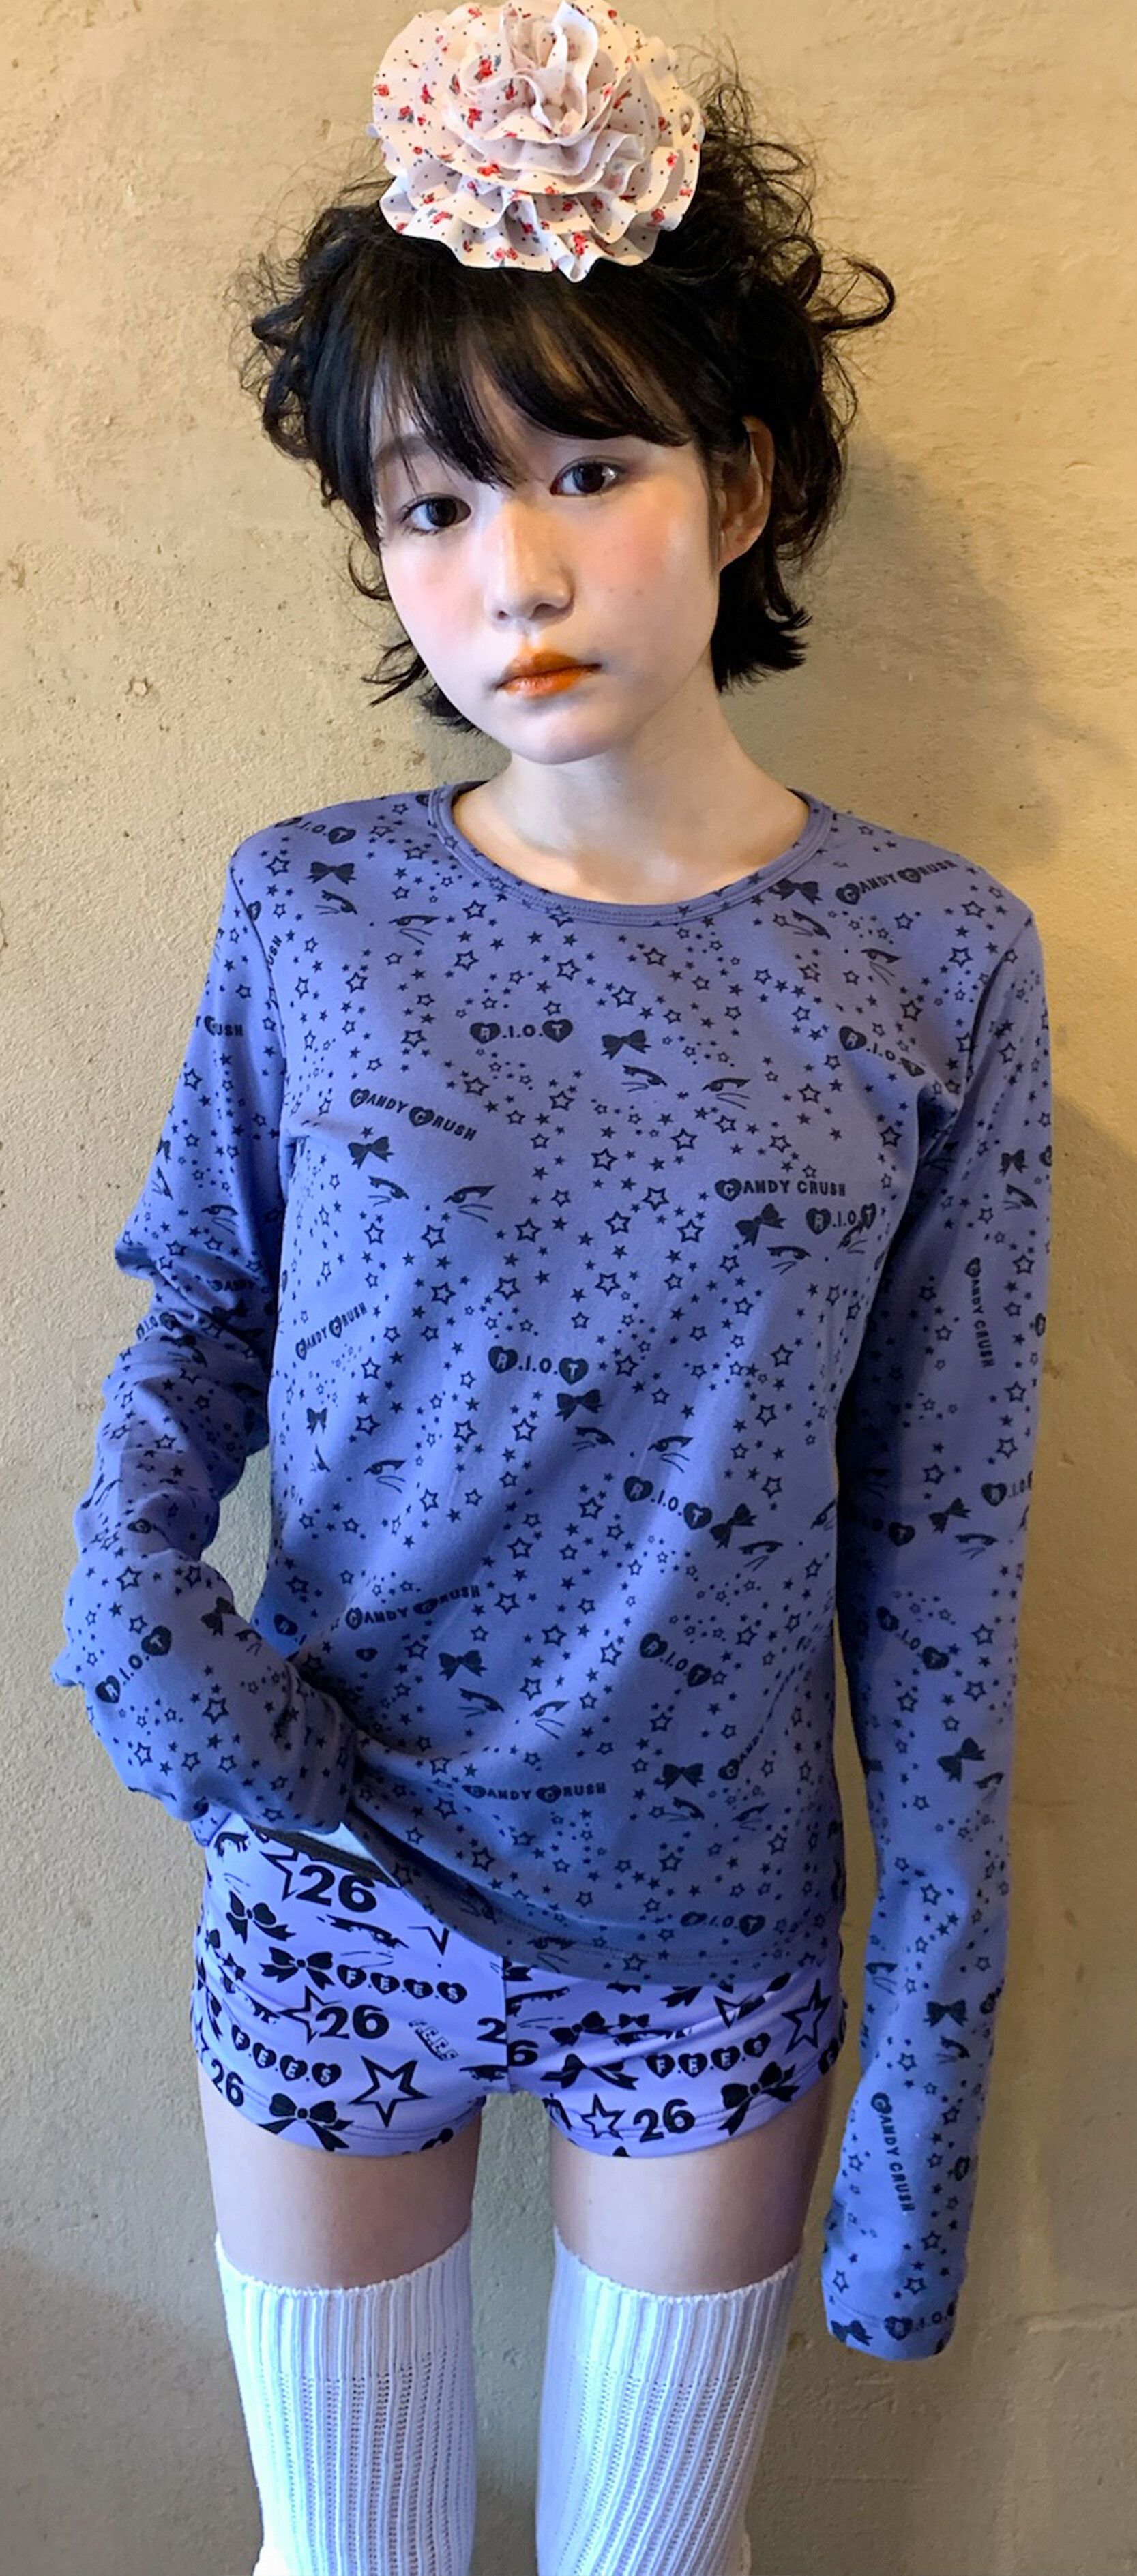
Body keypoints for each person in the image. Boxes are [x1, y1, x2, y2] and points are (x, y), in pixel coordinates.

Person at [50, 6, 1052, 2573]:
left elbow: (942, 1549)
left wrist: (923, 2074)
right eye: (431, 502)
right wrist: (135, 1608)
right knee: (346, 2560)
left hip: (706, 1930)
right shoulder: (314, 910)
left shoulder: (935, 961)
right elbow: (198, 1310)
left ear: (742, 479)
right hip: (336, 1870)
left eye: (589, 470)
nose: (511, 574)